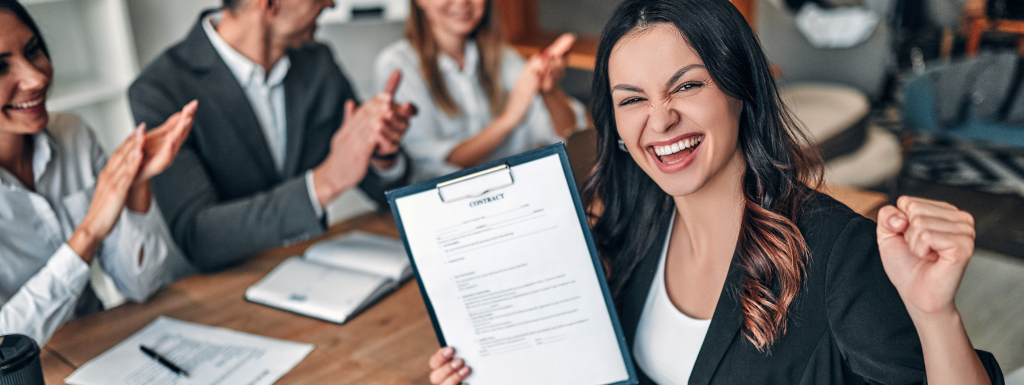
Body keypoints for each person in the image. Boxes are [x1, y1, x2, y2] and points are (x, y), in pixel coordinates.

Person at [425, 0, 1006, 384]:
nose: (660, 119)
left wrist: (936, 317)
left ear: (739, 89)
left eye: (687, 85)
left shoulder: (838, 252)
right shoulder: (632, 231)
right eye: (632, 99)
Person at [129, 0, 418, 272]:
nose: (331, 3)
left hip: (314, 270)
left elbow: (380, 190)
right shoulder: (160, 90)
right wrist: (324, 182)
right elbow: (198, 236)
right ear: (269, 4)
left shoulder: (317, 62)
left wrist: (382, 151)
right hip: (219, 293)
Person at [0, 0, 196, 345]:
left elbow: (140, 286)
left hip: (103, 347)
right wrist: (89, 232)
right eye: (0, 68)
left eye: (34, 52)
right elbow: (5, 344)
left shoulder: (73, 134)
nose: (37, 77)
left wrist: (136, 183)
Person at [374, 0, 586, 181]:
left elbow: (570, 135)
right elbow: (435, 164)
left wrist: (550, 92)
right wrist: (510, 118)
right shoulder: (398, 65)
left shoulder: (505, 58)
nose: (462, 2)